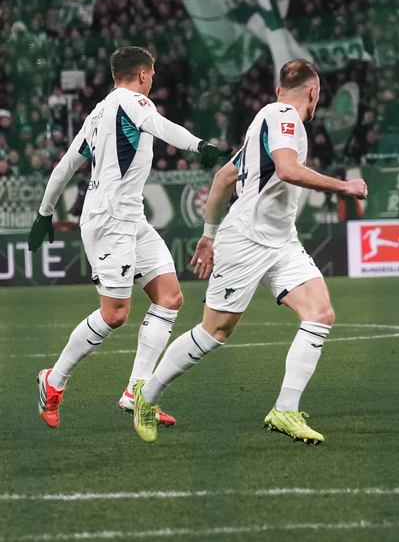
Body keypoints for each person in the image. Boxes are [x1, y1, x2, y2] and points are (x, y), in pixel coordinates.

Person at [132, 60, 368, 444]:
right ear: (314, 93)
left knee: (320, 314)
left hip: (280, 241)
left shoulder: (269, 120)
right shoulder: (284, 117)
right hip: (246, 241)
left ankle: (285, 411)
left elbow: (225, 177)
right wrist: (344, 187)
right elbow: (288, 170)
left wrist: (208, 234)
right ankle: (147, 395)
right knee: (215, 332)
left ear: (279, 89)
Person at [30, 46, 229, 429]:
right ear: (141, 75)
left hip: (129, 217)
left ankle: (135, 391)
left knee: (170, 297)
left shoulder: (98, 112)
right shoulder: (132, 101)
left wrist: (44, 213)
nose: (152, 82)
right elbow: (160, 126)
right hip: (109, 221)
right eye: (151, 75)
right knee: (114, 314)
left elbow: (65, 165)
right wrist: (198, 144)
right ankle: (53, 382)